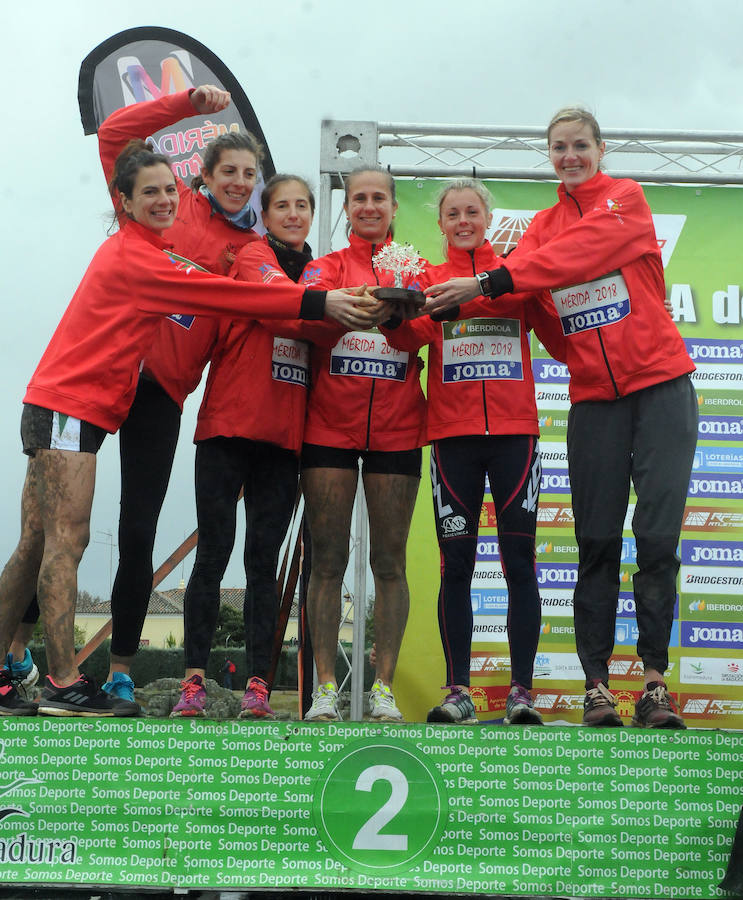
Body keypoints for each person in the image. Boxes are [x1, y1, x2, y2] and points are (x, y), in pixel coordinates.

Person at [0, 141, 376, 717]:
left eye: (168, 190)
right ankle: (62, 680)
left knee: (33, 546)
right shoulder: (140, 257)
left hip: (79, 404)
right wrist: (319, 303)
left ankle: (11, 673)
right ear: (123, 201)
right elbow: (220, 292)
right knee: (65, 542)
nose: (162, 200)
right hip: (69, 405)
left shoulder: (154, 247)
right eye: (149, 192)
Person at [423, 108, 697, 729]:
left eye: (580, 145)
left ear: (600, 149)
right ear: (549, 156)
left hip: (662, 388)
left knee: (657, 542)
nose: (570, 156)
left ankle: (655, 683)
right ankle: (596, 686)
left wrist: (490, 280)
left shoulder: (625, 200)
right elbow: (530, 298)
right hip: (594, 400)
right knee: (595, 541)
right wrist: (430, 301)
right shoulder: (541, 227)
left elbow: (573, 256)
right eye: (559, 148)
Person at [5, 85, 268, 706]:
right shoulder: (160, 212)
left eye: (249, 175)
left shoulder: (250, 247)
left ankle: (120, 664)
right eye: (225, 171)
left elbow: (262, 299)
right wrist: (187, 102)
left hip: (157, 395)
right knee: (51, 538)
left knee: (135, 530)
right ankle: (26, 661)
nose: (237, 182)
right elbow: (116, 135)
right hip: (97, 386)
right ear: (199, 177)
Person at [384, 179, 564, 725]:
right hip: (453, 439)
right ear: (440, 224)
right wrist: (393, 311)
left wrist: (542, 290)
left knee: (519, 565)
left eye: (472, 211)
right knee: (456, 565)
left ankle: (521, 692)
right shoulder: (429, 282)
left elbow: (557, 337)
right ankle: (458, 690)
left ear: (487, 217)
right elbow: (401, 339)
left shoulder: (513, 273)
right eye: (453, 213)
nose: (463, 220)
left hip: (515, 437)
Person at [170, 175, 341, 719]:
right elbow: (278, 306)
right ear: (265, 215)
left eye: (301, 206)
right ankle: (193, 681)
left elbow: (322, 332)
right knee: (214, 554)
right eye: (282, 206)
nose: (292, 214)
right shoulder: (249, 255)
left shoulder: (319, 273)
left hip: (283, 440)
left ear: (312, 216)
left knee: (262, 563)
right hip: (228, 428)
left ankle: (258, 687)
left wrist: (331, 311)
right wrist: (329, 310)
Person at [299, 167, 427, 722]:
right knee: (326, 560)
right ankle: (325, 687)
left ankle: (382, 687)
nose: (369, 206)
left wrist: (399, 321)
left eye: (379, 198)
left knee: (390, 562)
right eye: (359, 199)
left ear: (394, 207)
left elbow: (436, 331)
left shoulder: (417, 266)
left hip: (398, 429)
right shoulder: (325, 268)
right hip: (329, 427)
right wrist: (338, 313)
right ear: (346, 208)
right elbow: (302, 324)